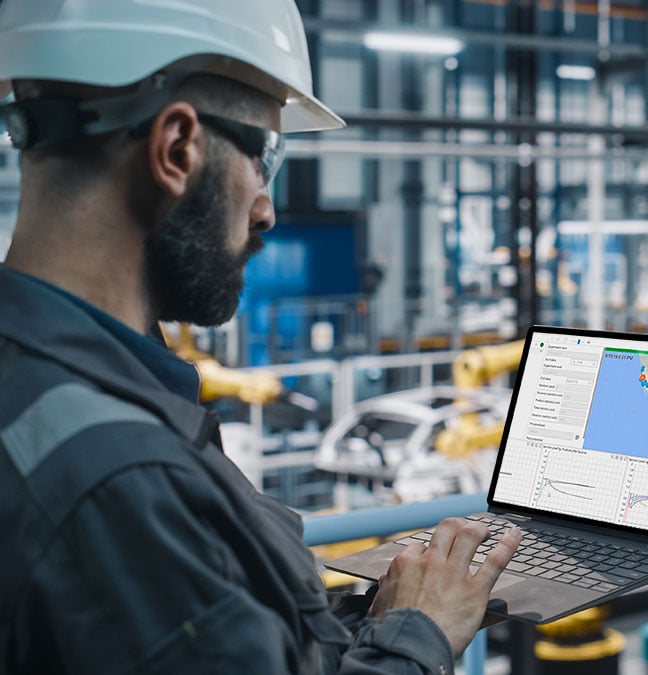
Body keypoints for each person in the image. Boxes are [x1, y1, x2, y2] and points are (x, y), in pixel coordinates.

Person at [0, 1, 521, 673]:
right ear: (176, 147)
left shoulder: (50, 385)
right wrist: (420, 635)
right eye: (264, 159)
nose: (267, 209)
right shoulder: (121, 483)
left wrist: (383, 619)